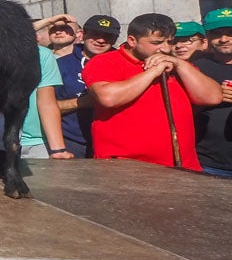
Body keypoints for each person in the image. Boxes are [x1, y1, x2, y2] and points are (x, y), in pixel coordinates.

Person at [84, 13, 221, 171]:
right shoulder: (106, 61)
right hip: (127, 168)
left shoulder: (176, 64)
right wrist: (153, 72)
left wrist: (180, 64)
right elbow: (107, 98)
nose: (165, 48)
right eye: (156, 43)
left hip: (181, 167)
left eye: (169, 42)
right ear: (132, 41)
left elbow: (213, 97)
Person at [55, 14, 120, 157]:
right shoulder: (60, 65)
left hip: (115, 143)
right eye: (95, 34)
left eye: (108, 36)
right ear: (83, 34)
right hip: (72, 143)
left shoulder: (123, 64)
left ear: (115, 40)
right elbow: (46, 107)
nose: (101, 40)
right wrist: (83, 102)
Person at [192, 8, 232, 177]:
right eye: (217, 33)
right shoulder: (195, 68)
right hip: (208, 162)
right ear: (208, 38)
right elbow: (178, 114)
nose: (224, 39)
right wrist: (209, 98)